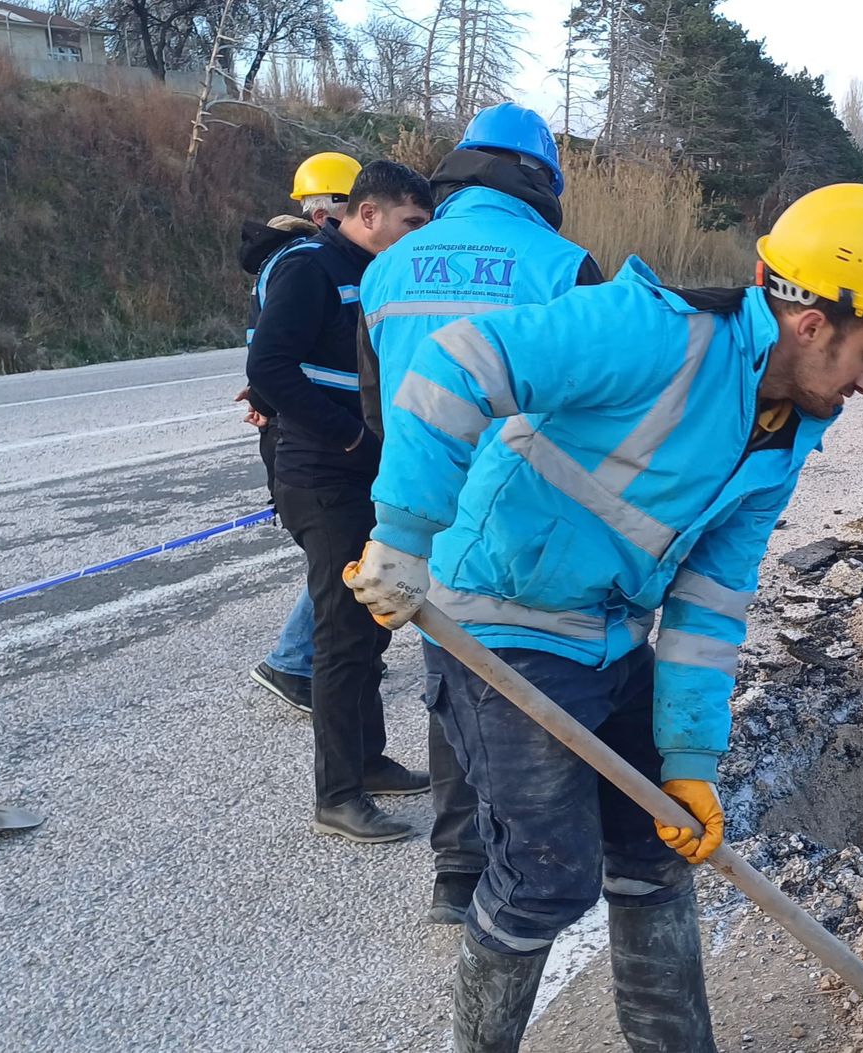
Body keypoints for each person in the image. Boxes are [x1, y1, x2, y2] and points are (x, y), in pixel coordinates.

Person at [344, 183, 863, 1050]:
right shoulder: (654, 332)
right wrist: (403, 533)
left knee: (663, 845)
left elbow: (710, 600)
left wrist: (692, 757)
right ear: (812, 323)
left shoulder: (785, 433)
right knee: (547, 873)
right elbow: (457, 360)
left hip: (608, 632)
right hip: (498, 619)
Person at [353, 102, 605, 927]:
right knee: (542, 694)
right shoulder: (563, 266)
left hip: (424, 524)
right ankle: (534, 877)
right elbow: (596, 417)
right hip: (529, 525)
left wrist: (407, 514)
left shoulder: (389, 265)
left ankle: (456, 874)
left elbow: (378, 409)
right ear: (540, 183)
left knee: (449, 690)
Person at [246, 159, 434, 844]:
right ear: (367, 214)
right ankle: (337, 793)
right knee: (341, 634)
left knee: (371, 622)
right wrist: (353, 434)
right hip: (322, 474)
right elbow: (266, 367)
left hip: (363, 473)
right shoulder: (310, 267)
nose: (419, 237)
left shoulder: (379, 274)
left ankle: (368, 757)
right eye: (410, 223)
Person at [241, 151, 362, 714]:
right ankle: (295, 661)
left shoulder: (291, 259)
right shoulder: (305, 264)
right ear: (330, 211)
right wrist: (351, 433)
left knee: (340, 556)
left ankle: (314, 656)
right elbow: (273, 355)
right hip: (313, 432)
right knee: (341, 557)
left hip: (301, 421)